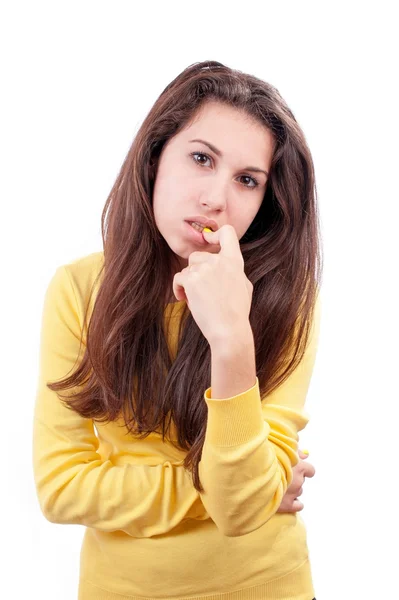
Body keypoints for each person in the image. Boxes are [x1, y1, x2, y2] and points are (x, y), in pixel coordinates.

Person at [32, 60, 322, 600]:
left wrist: (231, 335)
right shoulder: (79, 289)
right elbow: (61, 489)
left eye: (247, 180)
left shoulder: (287, 300)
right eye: (200, 158)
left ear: (266, 201)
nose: (216, 197)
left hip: (267, 584)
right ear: (154, 158)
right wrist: (239, 486)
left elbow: (240, 514)